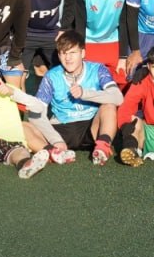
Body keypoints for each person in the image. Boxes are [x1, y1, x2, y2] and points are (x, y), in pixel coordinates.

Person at [0, 51, 67, 179]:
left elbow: (39, 107)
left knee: (21, 154)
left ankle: (27, 166)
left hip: (13, 142)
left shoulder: (7, 90)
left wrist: (14, 93)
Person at [36, 30, 123, 165]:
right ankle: (55, 152)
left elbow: (118, 98)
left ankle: (102, 149)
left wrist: (85, 93)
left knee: (109, 105)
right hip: (62, 128)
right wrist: (55, 139)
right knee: (26, 126)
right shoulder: (51, 76)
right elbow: (37, 111)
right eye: (64, 53)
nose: (68, 58)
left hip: (91, 126)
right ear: (59, 56)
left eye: (73, 53)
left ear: (82, 53)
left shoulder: (98, 69)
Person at [65, 0, 130, 86]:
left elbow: (124, 23)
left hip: (113, 41)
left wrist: (123, 57)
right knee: (88, 83)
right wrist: (81, 53)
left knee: (124, 80)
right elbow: (80, 27)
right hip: (90, 42)